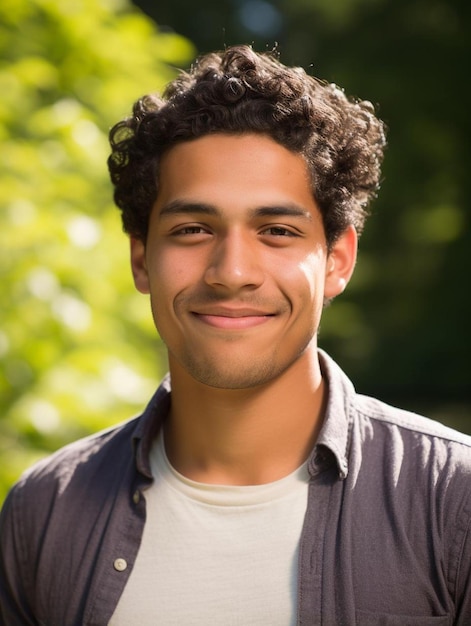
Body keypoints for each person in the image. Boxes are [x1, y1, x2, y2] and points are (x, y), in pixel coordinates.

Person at [0, 45, 470, 626]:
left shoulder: (454, 503)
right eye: (193, 229)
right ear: (142, 258)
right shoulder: (41, 513)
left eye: (276, 230)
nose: (231, 271)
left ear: (337, 260)